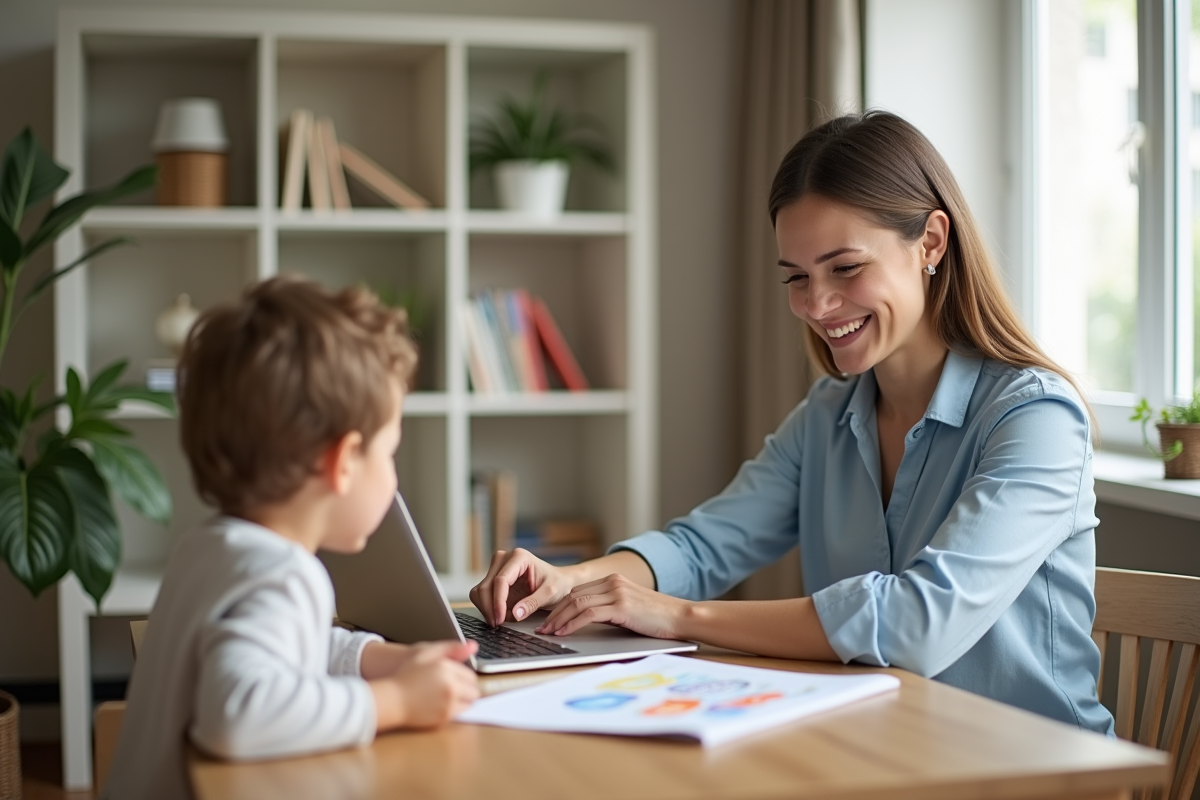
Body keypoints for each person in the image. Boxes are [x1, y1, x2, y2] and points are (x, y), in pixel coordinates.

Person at [472, 111, 1114, 735]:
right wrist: (571, 581)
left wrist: (677, 617)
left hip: (1033, 770)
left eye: (846, 267)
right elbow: (703, 546)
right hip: (880, 754)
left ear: (931, 242)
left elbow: (918, 623)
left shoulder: (1036, 418)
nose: (817, 304)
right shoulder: (829, 415)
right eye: (797, 277)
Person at [105, 277, 479, 800]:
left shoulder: (212, 546)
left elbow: (277, 643)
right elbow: (238, 715)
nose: (392, 475)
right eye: (388, 452)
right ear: (343, 461)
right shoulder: (284, 575)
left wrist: (372, 659)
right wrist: (393, 702)